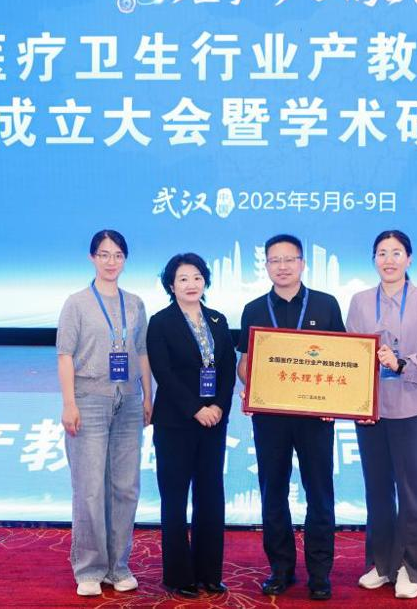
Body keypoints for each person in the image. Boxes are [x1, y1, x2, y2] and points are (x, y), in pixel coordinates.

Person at [236, 234, 346, 601]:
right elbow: (244, 363)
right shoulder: (253, 309)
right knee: (273, 492)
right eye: (274, 260)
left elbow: (342, 359)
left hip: (315, 417)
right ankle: (280, 570)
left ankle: (320, 574)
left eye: (289, 259)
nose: (282, 266)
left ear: (302, 263)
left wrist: (339, 401)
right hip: (270, 418)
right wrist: (250, 384)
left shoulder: (326, 305)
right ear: (266, 266)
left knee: (320, 493)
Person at [346, 230, 417, 600]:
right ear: (373, 259)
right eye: (381, 253)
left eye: (396, 253)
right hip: (371, 412)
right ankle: (381, 563)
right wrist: (353, 401)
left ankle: (411, 567)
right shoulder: (360, 302)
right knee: (377, 491)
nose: (388, 260)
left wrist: (402, 363)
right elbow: (350, 357)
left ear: (409, 258)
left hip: (412, 409)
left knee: (412, 493)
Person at [56, 230, 153, 597]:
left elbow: (142, 352)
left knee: (125, 487)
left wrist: (148, 395)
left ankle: (118, 566)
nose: (111, 261)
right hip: (89, 400)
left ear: (125, 260)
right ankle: (89, 568)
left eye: (117, 255)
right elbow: (65, 355)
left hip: (128, 401)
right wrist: (69, 403)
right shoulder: (77, 303)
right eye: (104, 254)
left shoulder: (136, 304)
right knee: (90, 488)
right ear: (92, 258)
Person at [146, 253, 237, 598]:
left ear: (205, 281)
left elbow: (227, 370)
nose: (191, 284)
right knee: (174, 499)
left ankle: (209, 573)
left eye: (197, 277)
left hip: (213, 422)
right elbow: (163, 373)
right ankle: (179, 575)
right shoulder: (161, 322)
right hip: (176, 423)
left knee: (210, 496)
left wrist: (218, 406)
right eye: (183, 278)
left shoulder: (217, 319)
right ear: (171, 285)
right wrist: (196, 408)